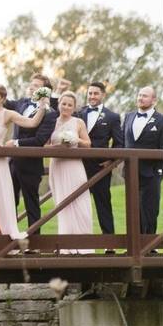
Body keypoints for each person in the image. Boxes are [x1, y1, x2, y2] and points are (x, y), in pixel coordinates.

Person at [0, 72, 58, 233]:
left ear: (44, 90)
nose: (31, 87)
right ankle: (9, 237)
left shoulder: (50, 113)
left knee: (31, 203)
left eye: (36, 85)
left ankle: (34, 244)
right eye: (32, 84)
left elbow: (40, 140)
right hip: (12, 162)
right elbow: (0, 100)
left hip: (30, 163)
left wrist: (16, 143)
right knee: (8, 201)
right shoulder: (22, 103)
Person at [46, 91, 93, 253]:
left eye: (69, 105)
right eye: (63, 103)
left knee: (80, 202)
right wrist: (58, 147)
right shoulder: (51, 121)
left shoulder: (78, 122)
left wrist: (75, 140)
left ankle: (83, 245)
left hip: (74, 167)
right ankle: (65, 245)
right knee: (62, 203)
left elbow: (88, 144)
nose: (66, 107)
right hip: (57, 166)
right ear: (58, 104)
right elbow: (43, 145)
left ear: (74, 108)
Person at [75, 82, 123, 240]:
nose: (92, 96)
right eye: (90, 93)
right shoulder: (78, 113)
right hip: (78, 166)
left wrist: (110, 161)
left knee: (103, 204)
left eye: (96, 93)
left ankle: (110, 243)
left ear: (103, 95)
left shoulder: (112, 117)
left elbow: (119, 143)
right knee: (77, 204)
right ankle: (77, 242)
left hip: (100, 168)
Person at [123, 86, 163, 238]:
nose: (140, 98)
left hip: (151, 173)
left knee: (149, 209)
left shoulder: (162, 120)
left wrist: (158, 172)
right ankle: (133, 244)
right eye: (139, 95)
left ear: (154, 100)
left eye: (145, 96)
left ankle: (149, 246)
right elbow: (123, 144)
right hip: (130, 172)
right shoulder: (128, 116)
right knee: (132, 210)